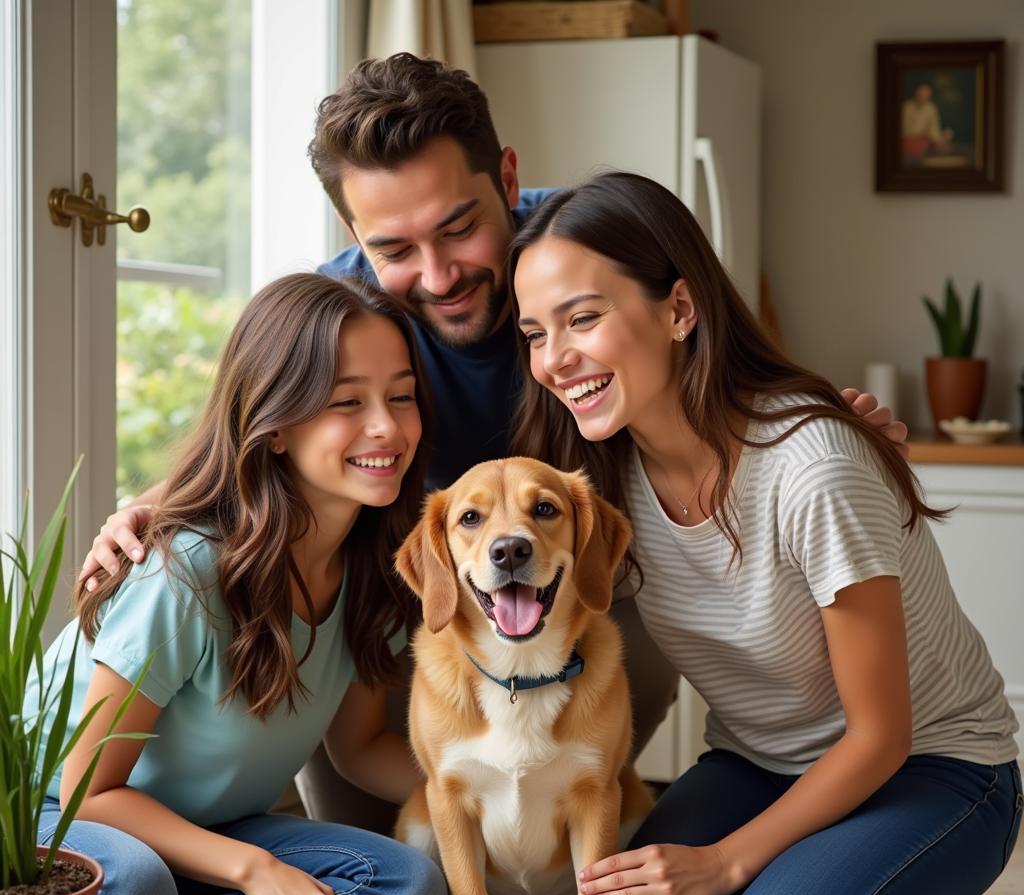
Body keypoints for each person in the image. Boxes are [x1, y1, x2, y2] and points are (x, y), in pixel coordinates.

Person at [78, 53, 906, 831]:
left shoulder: (578, 262)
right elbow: (254, 429)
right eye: (394, 248)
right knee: (396, 865)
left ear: (508, 180)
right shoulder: (347, 313)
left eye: (459, 229)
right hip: (418, 604)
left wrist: (823, 425)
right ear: (352, 229)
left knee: (574, 775)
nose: (437, 276)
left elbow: (709, 369)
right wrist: (150, 508)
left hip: (580, 579)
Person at [508, 171, 1024, 895]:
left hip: (934, 770)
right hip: (759, 762)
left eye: (583, 317)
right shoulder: (596, 487)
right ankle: (839, 890)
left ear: (679, 310)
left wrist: (730, 864)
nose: (554, 358)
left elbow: (881, 735)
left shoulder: (813, 465)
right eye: (535, 332)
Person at [31, 273, 446, 895]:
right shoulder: (187, 571)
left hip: (204, 833)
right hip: (54, 822)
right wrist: (257, 874)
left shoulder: (376, 573)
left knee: (407, 893)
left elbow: (358, 750)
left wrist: (499, 795)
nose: (386, 426)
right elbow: (87, 796)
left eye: (401, 395)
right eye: (347, 401)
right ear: (275, 423)